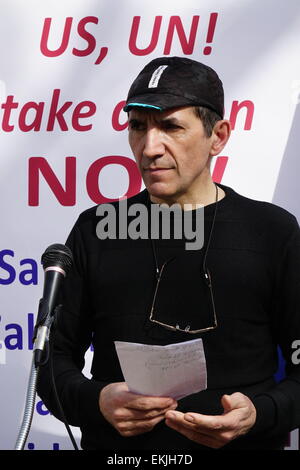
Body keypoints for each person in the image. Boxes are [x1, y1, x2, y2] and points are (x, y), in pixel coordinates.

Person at [37, 56, 300, 451]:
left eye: (171, 127)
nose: (149, 147)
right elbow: (51, 361)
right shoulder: (96, 230)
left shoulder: (272, 232)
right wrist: (96, 402)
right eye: (138, 127)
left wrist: (260, 413)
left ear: (219, 135)